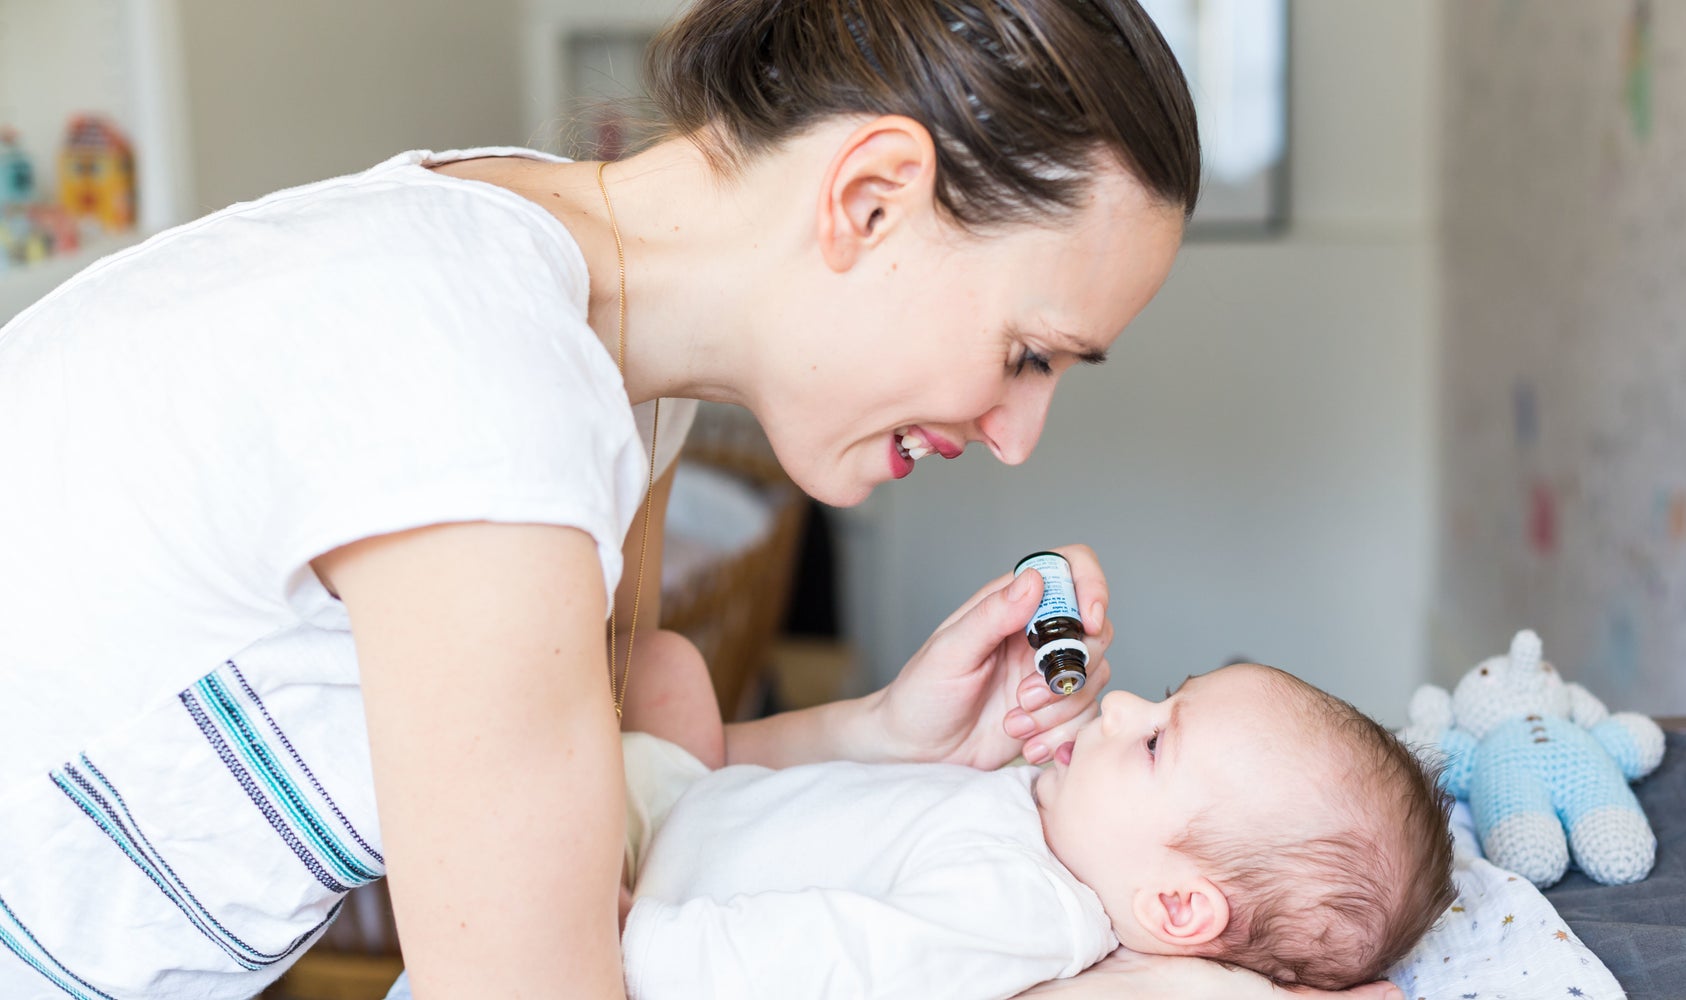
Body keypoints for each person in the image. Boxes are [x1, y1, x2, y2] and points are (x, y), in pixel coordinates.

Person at [0, 1, 1394, 997]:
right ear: (871, 201)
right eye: (1027, 353)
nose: (1018, 434)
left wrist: (884, 733)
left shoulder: (605, 367)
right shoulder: (481, 385)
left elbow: (601, 786)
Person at [597, 629, 1454, 999]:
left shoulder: (1018, 909)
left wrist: (643, 949)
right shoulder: (1057, 817)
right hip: (688, 806)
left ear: (1178, 906)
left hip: (662, 895)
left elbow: (839, 964)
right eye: (1158, 701)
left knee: (627, 687)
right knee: (665, 661)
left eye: (1154, 743)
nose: (1118, 711)